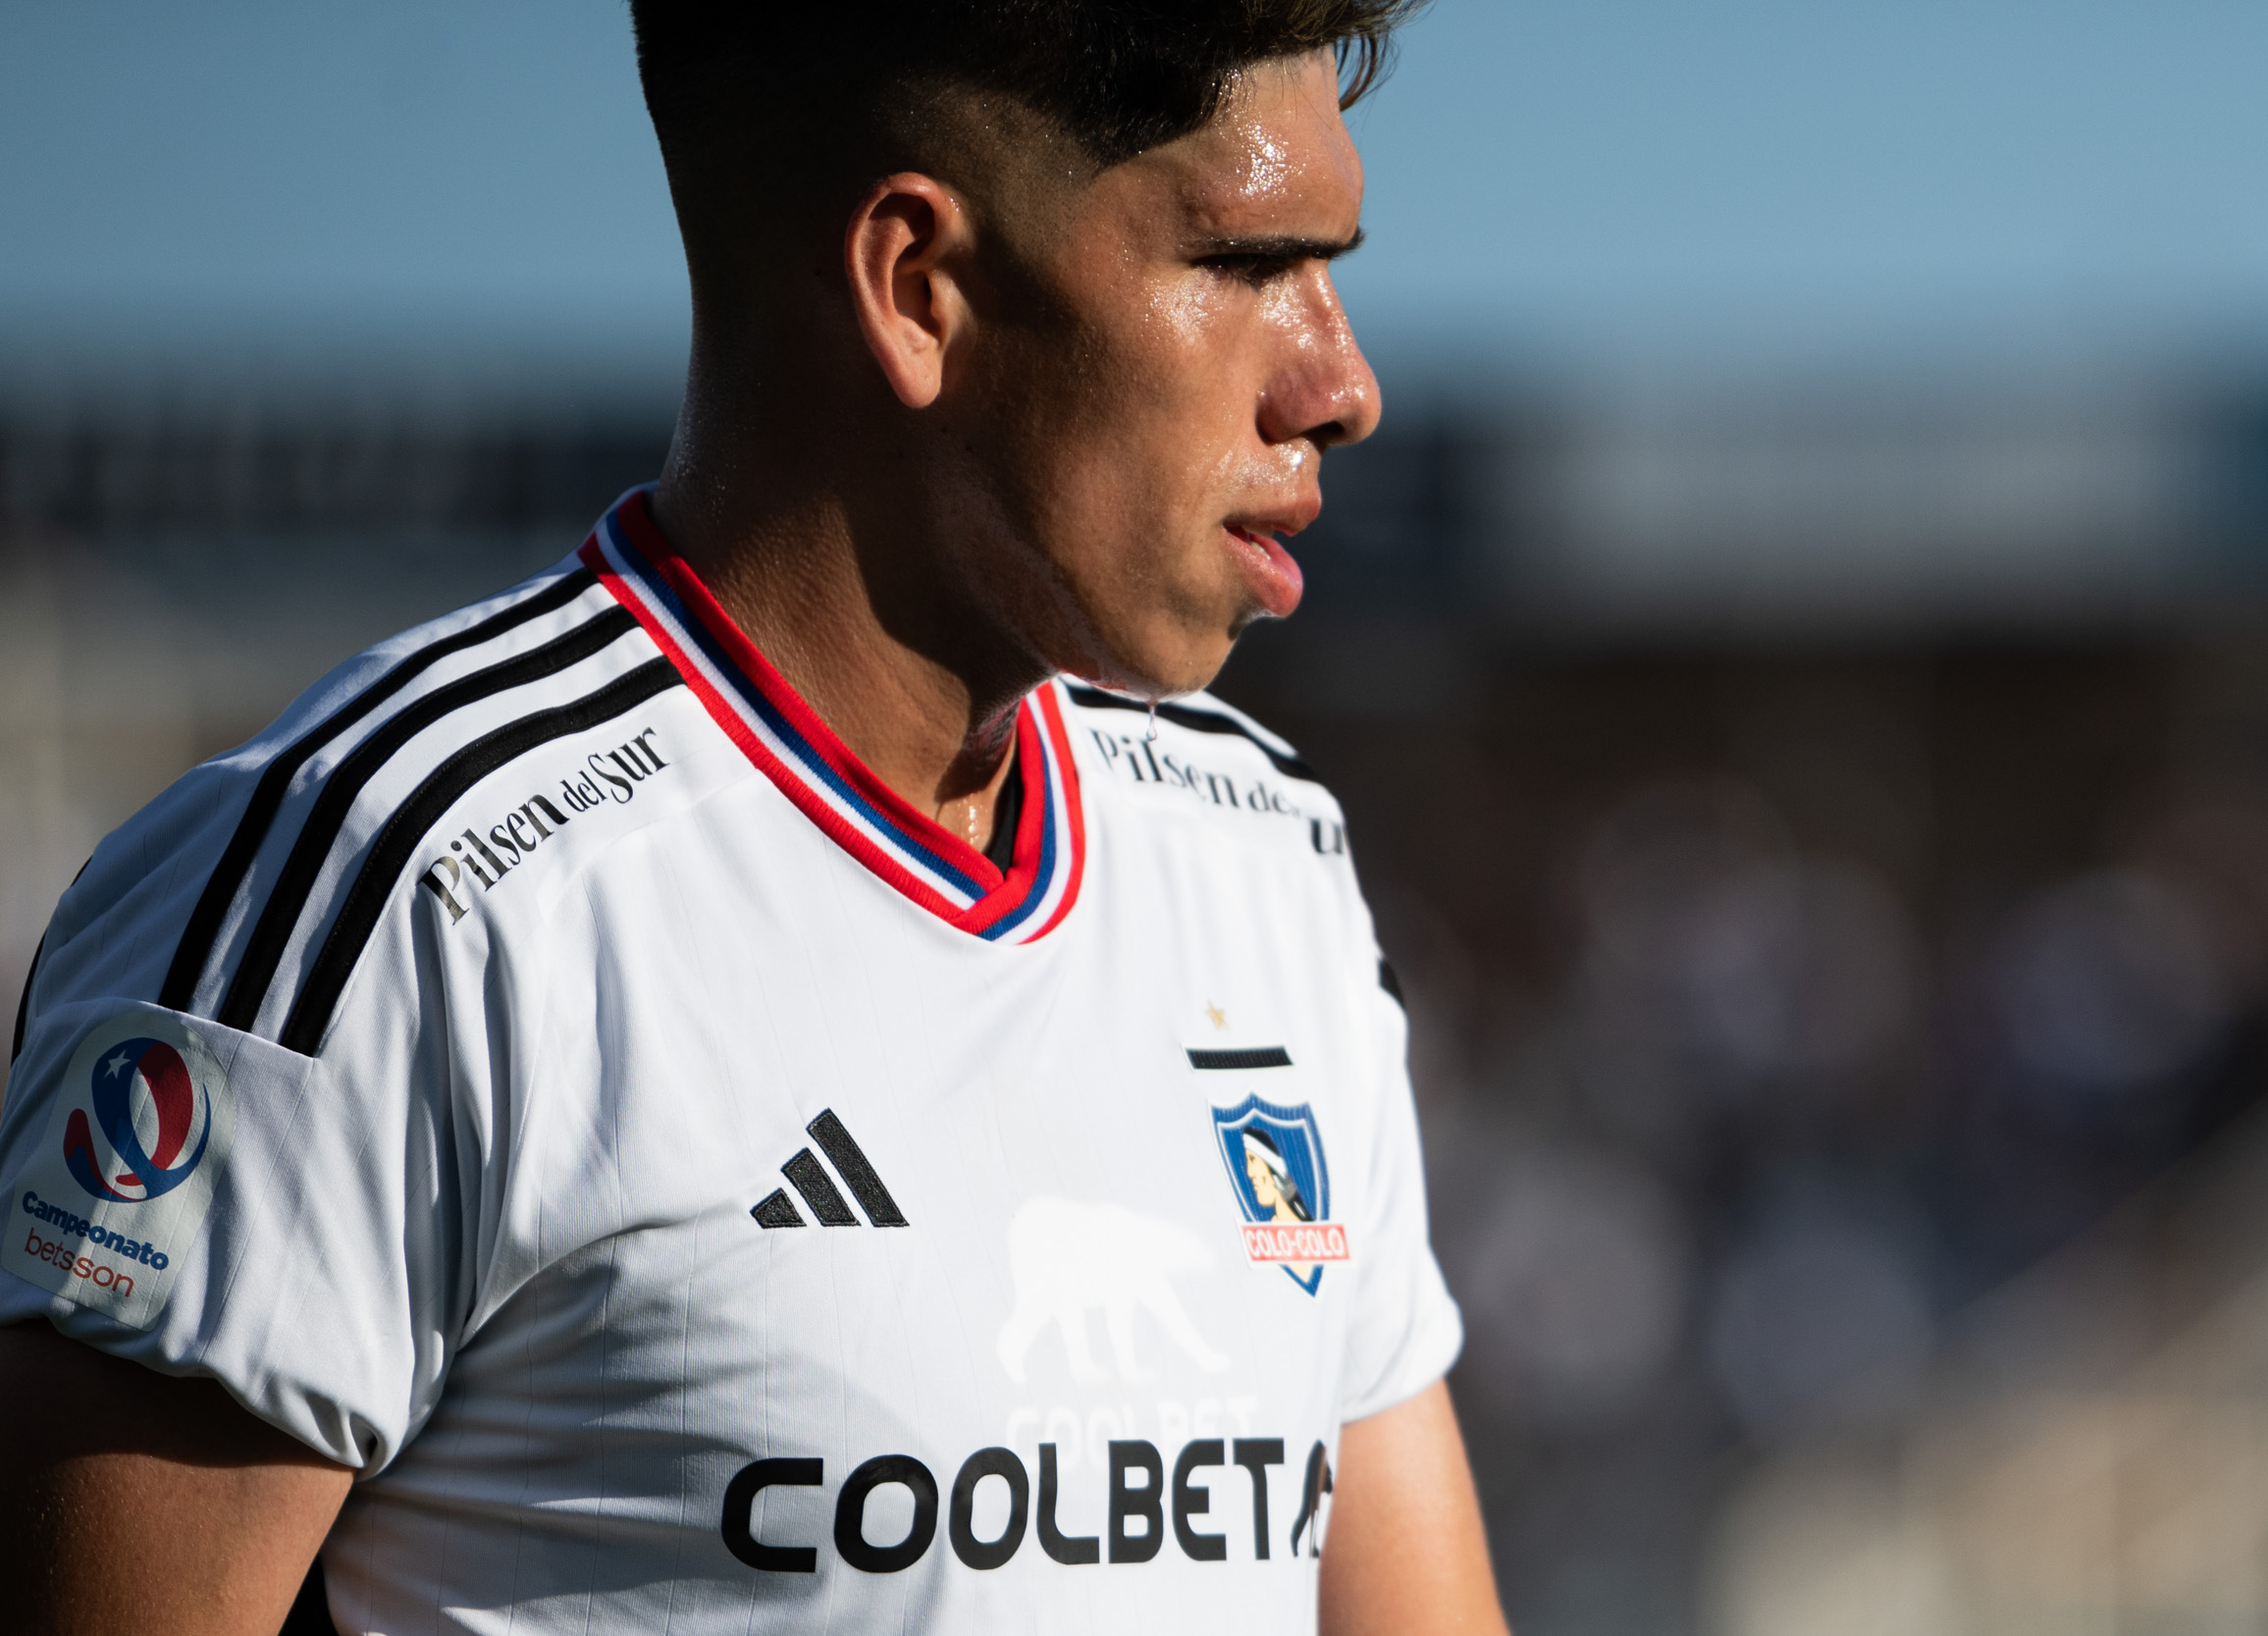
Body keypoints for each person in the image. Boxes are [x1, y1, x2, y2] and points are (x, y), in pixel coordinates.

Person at [0, 4, 1507, 1633]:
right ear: (919, 288)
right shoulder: (395, 889)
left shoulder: (1258, 854)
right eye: (1245, 263)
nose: (1340, 382)